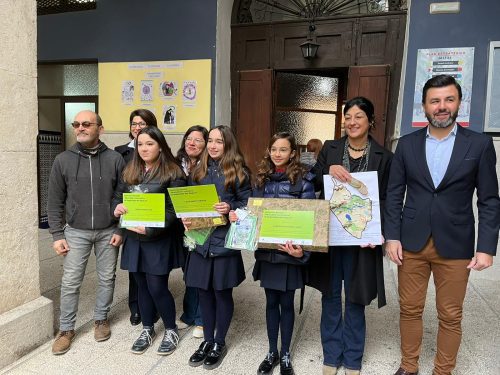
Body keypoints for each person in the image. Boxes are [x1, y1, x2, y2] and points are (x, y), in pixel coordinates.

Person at [384, 75, 500, 375]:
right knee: (409, 309)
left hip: (456, 243)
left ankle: (443, 371)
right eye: (434, 101)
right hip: (411, 242)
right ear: (424, 106)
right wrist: (392, 237)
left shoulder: (480, 144)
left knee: (450, 315)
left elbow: (489, 199)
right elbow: (394, 194)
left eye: (448, 99)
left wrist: (486, 248)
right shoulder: (407, 145)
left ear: (459, 103)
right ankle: (409, 367)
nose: (442, 107)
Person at [309, 97, 393, 375]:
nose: (352, 122)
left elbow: (387, 199)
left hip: (362, 240)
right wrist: (326, 169)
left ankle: (353, 357)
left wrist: (380, 233)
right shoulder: (330, 149)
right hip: (332, 238)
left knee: (356, 298)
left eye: (359, 117)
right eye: (348, 117)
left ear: (370, 121)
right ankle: (331, 356)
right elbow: (313, 179)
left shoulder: (384, 156)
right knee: (331, 296)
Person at [230, 132, 316, 375]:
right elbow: (252, 213)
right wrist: (240, 217)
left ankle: (286, 353)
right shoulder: (260, 181)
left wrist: (303, 253)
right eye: (274, 149)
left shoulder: (304, 182)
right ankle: (271, 352)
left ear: (292, 153)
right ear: (269, 151)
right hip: (268, 254)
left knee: (286, 304)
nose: (278, 154)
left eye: (284, 150)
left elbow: (311, 221)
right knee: (271, 303)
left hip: (290, 256)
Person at [48, 110, 125, 355]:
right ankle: (67, 329)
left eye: (86, 124)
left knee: (106, 278)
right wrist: (57, 235)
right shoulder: (63, 159)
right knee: (70, 282)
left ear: (100, 129)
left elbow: (123, 196)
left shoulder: (115, 159)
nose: (80, 128)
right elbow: (54, 201)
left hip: (108, 231)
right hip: (75, 232)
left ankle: (101, 319)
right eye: (76, 124)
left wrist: (120, 228)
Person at [113, 126, 186, 355]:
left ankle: (171, 329)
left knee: (157, 286)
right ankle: (147, 328)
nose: (144, 148)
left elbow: (175, 210)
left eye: (150, 144)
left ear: (160, 145)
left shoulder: (173, 172)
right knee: (141, 287)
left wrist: (152, 228)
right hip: (134, 238)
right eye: (140, 144)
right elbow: (118, 199)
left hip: (158, 239)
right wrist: (118, 209)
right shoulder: (131, 169)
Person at [183, 125, 251, 370]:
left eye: (218, 142)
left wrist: (230, 208)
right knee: (203, 292)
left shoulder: (239, 171)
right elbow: (189, 201)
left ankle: (219, 342)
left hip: (224, 243)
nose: (212, 146)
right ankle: (207, 340)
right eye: (210, 140)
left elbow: (248, 204)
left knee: (222, 293)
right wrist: (185, 217)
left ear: (228, 144)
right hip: (200, 241)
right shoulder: (198, 170)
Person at [115, 108, 158, 326]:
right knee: (134, 269)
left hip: (152, 221)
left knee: (152, 270)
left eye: (142, 124)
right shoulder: (119, 152)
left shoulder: (160, 156)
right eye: (134, 123)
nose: (137, 127)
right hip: (130, 218)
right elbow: (117, 189)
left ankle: (153, 306)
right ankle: (136, 307)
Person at [175, 125, 209, 338]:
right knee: (189, 271)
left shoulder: (210, 166)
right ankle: (189, 313)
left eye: (198, 140)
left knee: (201, 272)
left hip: (202, 226)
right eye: (189, 138)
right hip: (179, 226)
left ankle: (201, 319)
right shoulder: (176, 164)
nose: (192, 143)